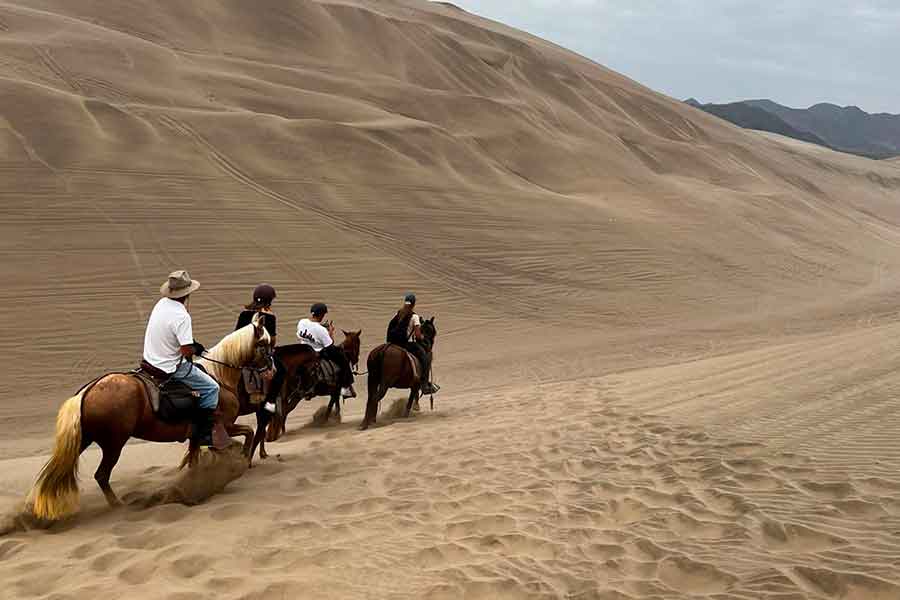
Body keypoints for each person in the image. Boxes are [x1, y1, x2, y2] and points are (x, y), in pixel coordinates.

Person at [143, 270, 219, 447]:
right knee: (212, 388)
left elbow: (173, 336)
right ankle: (204, 434)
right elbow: (185, 351)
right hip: (169, 367)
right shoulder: (182, 316)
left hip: (149, 359)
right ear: (188, 293)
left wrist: (191, 344)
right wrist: (195, 348)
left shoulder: (161, 304)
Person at [235, 283, 284, 414]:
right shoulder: (270, 317)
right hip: (257, 356)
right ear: (269, 301)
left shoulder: (244, 314)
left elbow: (235, 333)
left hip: (240, 352)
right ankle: (271, 403)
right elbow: (272, 341)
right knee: (281, 372)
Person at [297, 303, 356, 398]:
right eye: (323, 315)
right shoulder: (321, 330)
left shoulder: (302, 322)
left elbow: (310, 331)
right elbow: (330, 344)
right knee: (343, 359)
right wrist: (330, 332)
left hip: (304, 349)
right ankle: (346, 388)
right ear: (321, 315)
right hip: (317, 352)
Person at [386, 293, 437, 394]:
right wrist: (422, 337)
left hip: (391, 343)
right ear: (413, 304)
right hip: (404, 344)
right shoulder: (414, 317)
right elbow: (418, 336)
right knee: (424, 358)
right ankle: (425, 385)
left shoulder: (398, 314)